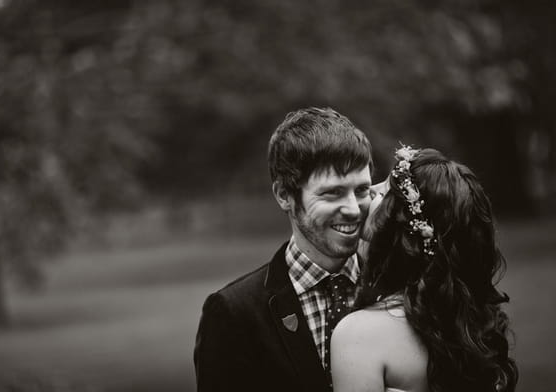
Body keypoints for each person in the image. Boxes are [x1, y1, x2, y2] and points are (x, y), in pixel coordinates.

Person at [194, 107, 374, 392]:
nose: (353, 209)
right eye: (332, 193)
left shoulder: (397, 288)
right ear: (284, 195)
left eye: (362, 191)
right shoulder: (234, 313)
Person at [331, 146, 518, 392]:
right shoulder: (473, 325)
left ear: (406, 226)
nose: (370, 190)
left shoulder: (358, 335)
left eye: (384, 191)